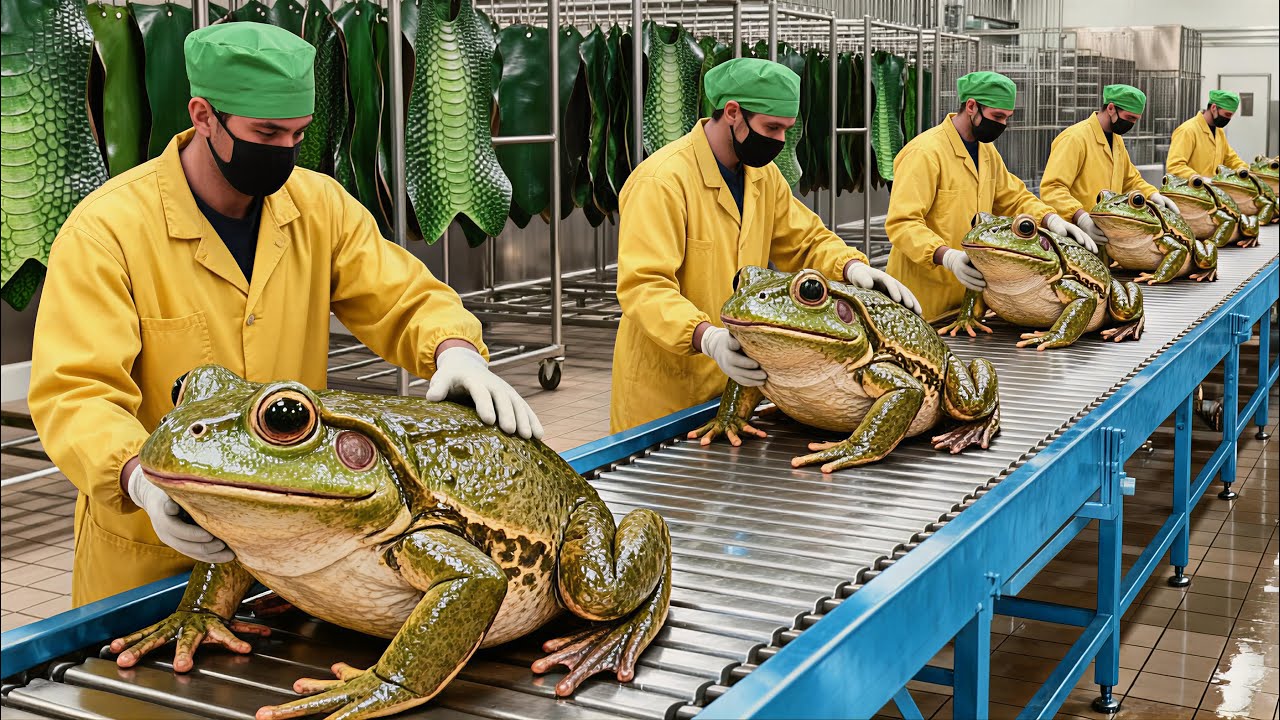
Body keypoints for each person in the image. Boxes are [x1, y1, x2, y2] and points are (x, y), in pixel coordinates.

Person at [27, 23, 541, 607]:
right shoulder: (108, 230)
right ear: (202, 115)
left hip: (288, 552)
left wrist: (454, 351)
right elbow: (76, 392)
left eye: (296, 134)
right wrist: (136, 477)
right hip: (153, 549)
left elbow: (403, 297)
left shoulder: (317, 205)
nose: (282, 153)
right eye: (265, 132)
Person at [609, 57, 921, 433]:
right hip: (669, 387)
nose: (778, 141)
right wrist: (706, 337)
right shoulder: (661, 181)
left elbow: (805, 240)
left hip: (738, 386)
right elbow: (644, 286)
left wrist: (853, 268)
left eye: (787, 130)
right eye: (771, 127)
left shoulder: (762, 176)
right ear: (733, 112)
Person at [885, 71, 1097, 322]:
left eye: (1007, 118)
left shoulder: (986, 150)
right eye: (997, 116)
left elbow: (1014, 197)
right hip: (926, 300)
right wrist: (947, 256)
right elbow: (903, 223)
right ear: (972, 106)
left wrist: (1051, 220)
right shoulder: (925, 152)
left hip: (971, 302)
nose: (1002, 125)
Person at [1041, 84, 1181, 245]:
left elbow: (1130, 180)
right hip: (1075, 236)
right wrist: (1080, 217)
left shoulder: (1116, 140)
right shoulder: (1074, 138)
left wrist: (1152, 195)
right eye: (1129, 118)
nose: (1132, 124)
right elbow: (1052, 188)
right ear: (1111, 108)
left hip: (1107, 235)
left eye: (1135, 119)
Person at [1166, 90, 1248, 179]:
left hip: (1211, 190)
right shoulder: (1187, 130)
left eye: (1231, 116)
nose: (1228, 119)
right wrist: (1197, 178)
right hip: (1190, 191)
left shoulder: (1219, 132)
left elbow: (1230, 158)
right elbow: (1175, 166)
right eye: (1227, 114)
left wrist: (1244, 169)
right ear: (1213, 108)